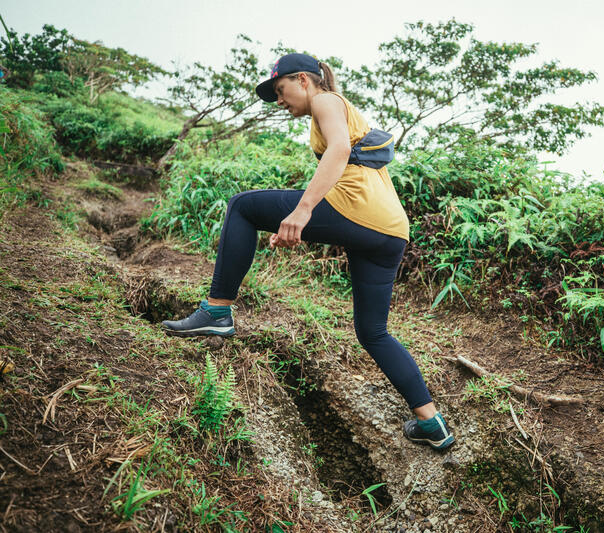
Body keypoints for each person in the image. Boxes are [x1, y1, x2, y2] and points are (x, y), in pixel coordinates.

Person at [161, 53, 455, 451]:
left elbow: (336, 151)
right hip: (390, 231)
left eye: (280, 92)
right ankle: (432, 423)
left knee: (243, 206)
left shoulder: (326, 100)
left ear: (303, 80)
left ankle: (216, 310)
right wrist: (296, 216)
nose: (280, 102)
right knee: (373, 332)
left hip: (358, 212)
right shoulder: (338, 109)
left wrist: (301, 211)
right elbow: (341, 162)